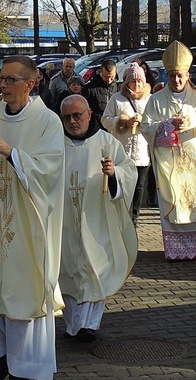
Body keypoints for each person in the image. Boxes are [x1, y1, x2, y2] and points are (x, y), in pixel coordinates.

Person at [0, 56, 65, 380]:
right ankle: (3, 355)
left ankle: (22, 373)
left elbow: (51, 173)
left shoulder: (46, 123)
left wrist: (11, 152)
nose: (3, 86)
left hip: (29, 224)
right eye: (1, 80)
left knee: (21, 297)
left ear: (30, 83)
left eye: (10, 80)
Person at [59, 95, 138, 342]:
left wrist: (114, 174)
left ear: (89, 114)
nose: (72, 121)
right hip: (65, 222)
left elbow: (129, 171)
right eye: (67, 117)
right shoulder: (54, 144)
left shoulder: (107, 142)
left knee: (95, 270)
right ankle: (74, 324)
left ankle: (89, 325)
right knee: (69, 273)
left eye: (77, 115)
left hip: (97, 221)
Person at [141, 41, 196, 261]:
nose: (176, 80)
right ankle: (176, 250)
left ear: (187, 75)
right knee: (174, 203)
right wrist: (167, 125)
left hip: (194, 160)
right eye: (172, 75)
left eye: (181, 75)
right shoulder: (155, 100)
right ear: (167, 75)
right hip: (171, 163)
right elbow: (146, 128)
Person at [102, 63, 152, 226]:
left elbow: (154, 122)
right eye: (133, 81)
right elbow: (105, 120)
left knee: (139, 186)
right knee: (122, 183)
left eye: (139, 82)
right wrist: (123, 121)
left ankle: (134, 217)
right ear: (127, 82)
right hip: (122, 150)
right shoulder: (117, 99)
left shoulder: (149, 100)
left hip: (141, 152)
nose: (137, 85)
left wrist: (142, 122)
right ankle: (121, 213)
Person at [83, 59, 118, 127]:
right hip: (97, 127)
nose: (109, 80)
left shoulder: (119, 88)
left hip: (114, 127)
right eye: (106, 77)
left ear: (116, 72)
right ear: (100, 72)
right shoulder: (89, 88)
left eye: (112, 77)